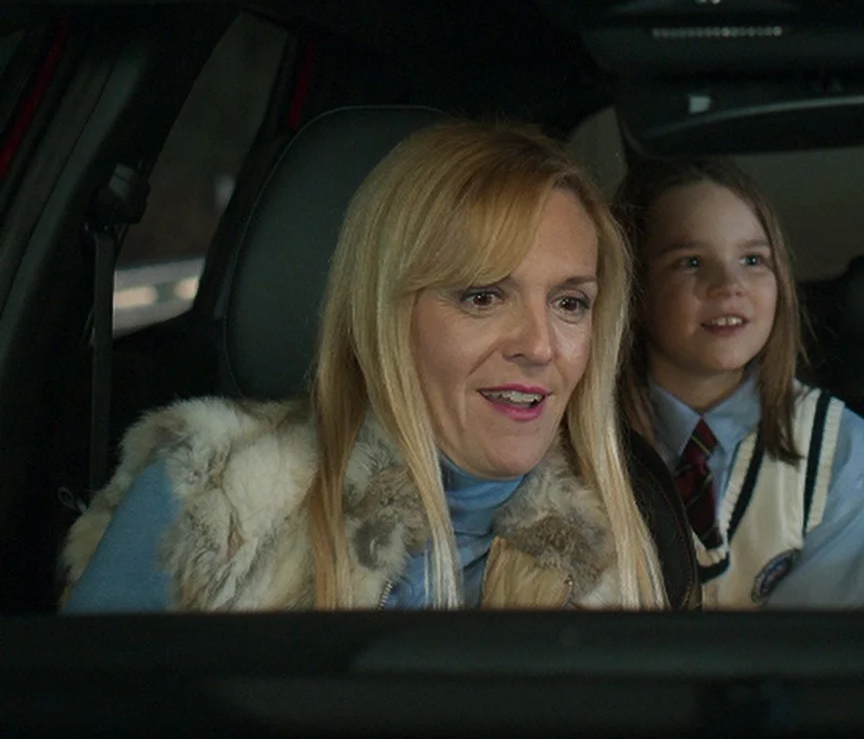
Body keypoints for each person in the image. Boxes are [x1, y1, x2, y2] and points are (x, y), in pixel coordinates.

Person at [63, 120, 673, 611]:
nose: (540, 346)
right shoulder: (207, 497)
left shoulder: (628, 549)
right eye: (482, 296)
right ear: (384, 313)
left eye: (570, 303)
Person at [617, 156, 864, 609]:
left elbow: (815, 650)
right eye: (692, 262)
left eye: (752, 259)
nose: (729, 285)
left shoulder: (840, 447)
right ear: (635, 290)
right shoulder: (584, 438)